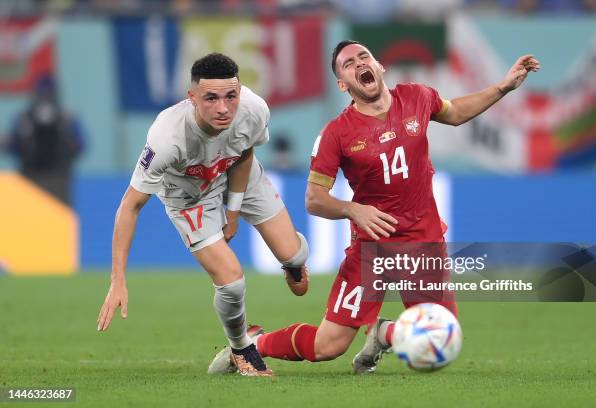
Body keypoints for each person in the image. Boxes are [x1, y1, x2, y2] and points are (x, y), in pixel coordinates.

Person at [209, 40, 539, 374]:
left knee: (441, 337)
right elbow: (314, 199)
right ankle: (253, 345)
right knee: (329, 347)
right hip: (373, 248)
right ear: (343, 84)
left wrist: (502, 87)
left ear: (379, 66)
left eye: (363, 57)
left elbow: (454, 113)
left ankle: (383, 332)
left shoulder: (416, 96)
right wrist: (354, 210)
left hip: (423, 240)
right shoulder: (337, 133)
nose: (358, 64)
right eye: (348, 64)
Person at [96, 53, 309, 377]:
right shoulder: (167, 137)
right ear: (192, 98)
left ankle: (293, 263)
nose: (223, 108)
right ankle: (242, 349)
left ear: (240, 92)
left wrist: (233, 210)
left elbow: (244, 151)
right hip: (189, 197)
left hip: (238, 174)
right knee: (232, 283)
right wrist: (118, 280)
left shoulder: (253, 110)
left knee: (293, 253)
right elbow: (130, 205)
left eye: (230, 96)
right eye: (211, 98)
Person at [8, 76, 84, 206]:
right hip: (30, 178)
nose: (45, 97)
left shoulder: (67, 119)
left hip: (58, 179)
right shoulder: (24, 119)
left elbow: (81, 145)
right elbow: (13, 145)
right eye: (42, 93)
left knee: (59, 219)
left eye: (49, 94)